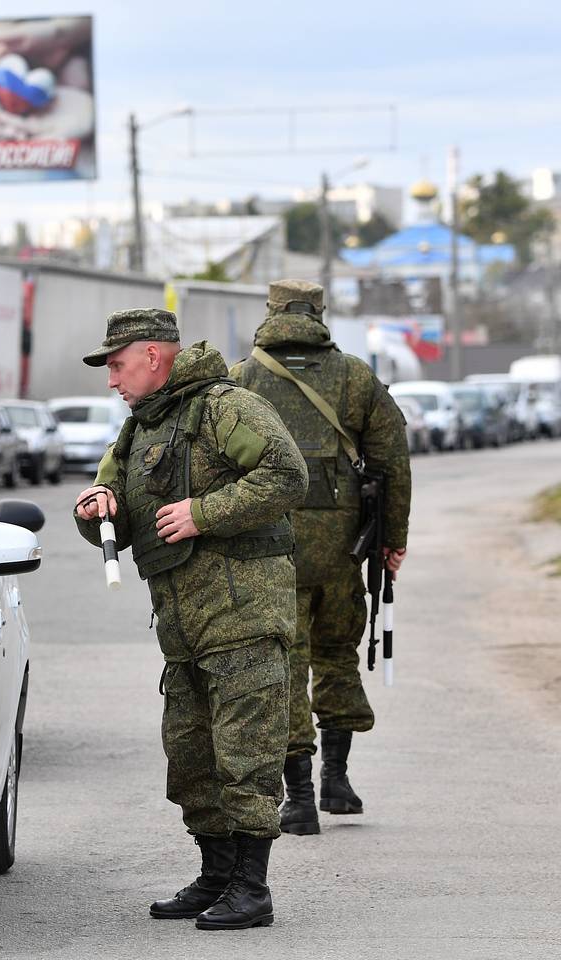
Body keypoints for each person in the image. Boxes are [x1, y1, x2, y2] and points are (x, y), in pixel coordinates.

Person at [73, 308, 307, 930]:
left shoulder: (223, 407)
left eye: (118, 366)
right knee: (192, 755)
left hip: (243, 613)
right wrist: (94, 507)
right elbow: (112, 517)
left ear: (154, 356)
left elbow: (287, 474)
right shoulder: (138, 431)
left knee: (245, 751)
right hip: (183, 627)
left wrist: (206, 512)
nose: (112, 381)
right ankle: (216, 875)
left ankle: (251, 889)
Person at [230, 280, 411, 836]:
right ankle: (338, 781)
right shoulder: (356, 377)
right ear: (320, 313)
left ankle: (299, 798)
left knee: (285, 663)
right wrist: (392, 539)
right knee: (336, 654)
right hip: (340, 552)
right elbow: (392, 462)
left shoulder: (242, 379)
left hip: (267, 550)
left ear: (272, 311)